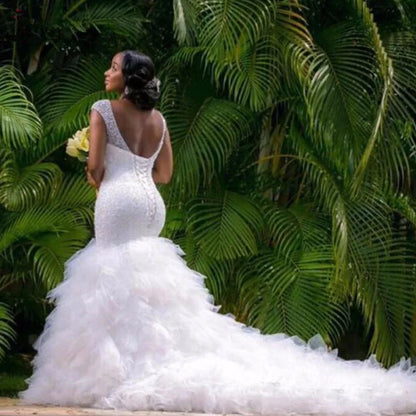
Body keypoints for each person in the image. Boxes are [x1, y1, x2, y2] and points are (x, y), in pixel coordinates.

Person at [19, 50, 416, 415]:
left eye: (113, 67)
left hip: (118, 202)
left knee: (108, 276)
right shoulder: (158, 120)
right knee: (145, 277)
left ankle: (122, 363)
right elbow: (165, 174)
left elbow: (96, 169)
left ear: (128, 78)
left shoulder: (101, 110)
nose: (107, 72)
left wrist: (94, 169)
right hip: (150, 203)